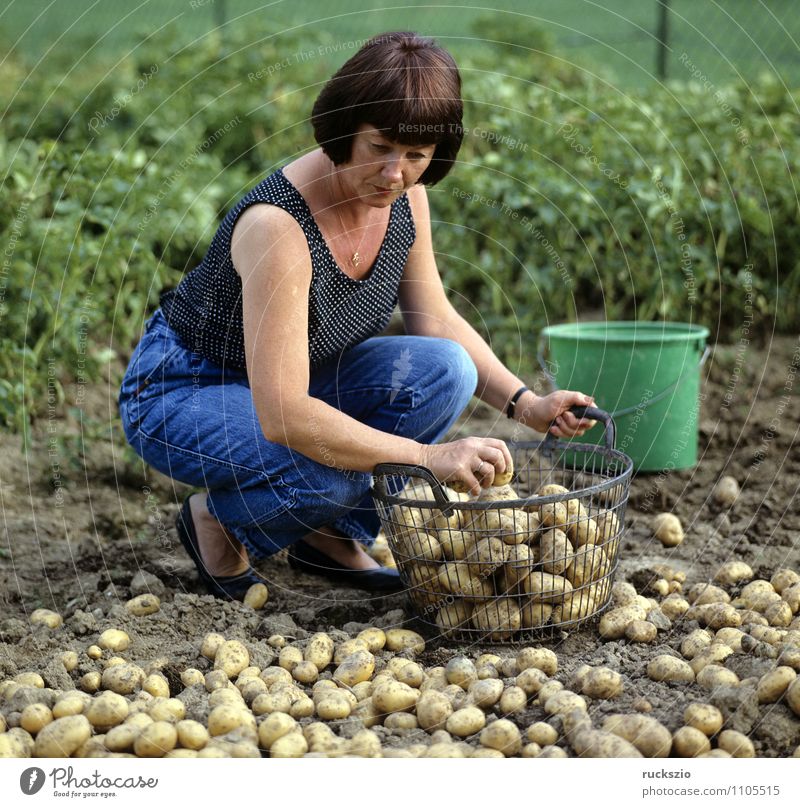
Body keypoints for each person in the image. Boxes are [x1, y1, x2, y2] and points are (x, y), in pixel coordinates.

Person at [117, 31, 596, 600]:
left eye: (416, 156)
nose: (396, 173)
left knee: (446, 370)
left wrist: (527, 404)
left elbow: (436, 320)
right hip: (183, 389)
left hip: (292, 379)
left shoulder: (402, 199)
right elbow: (287, 417)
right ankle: (218, 524)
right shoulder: (280, 228)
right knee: (327, 469)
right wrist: (427, 456)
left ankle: (327, 537)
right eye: (381, 148)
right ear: (346, 129)